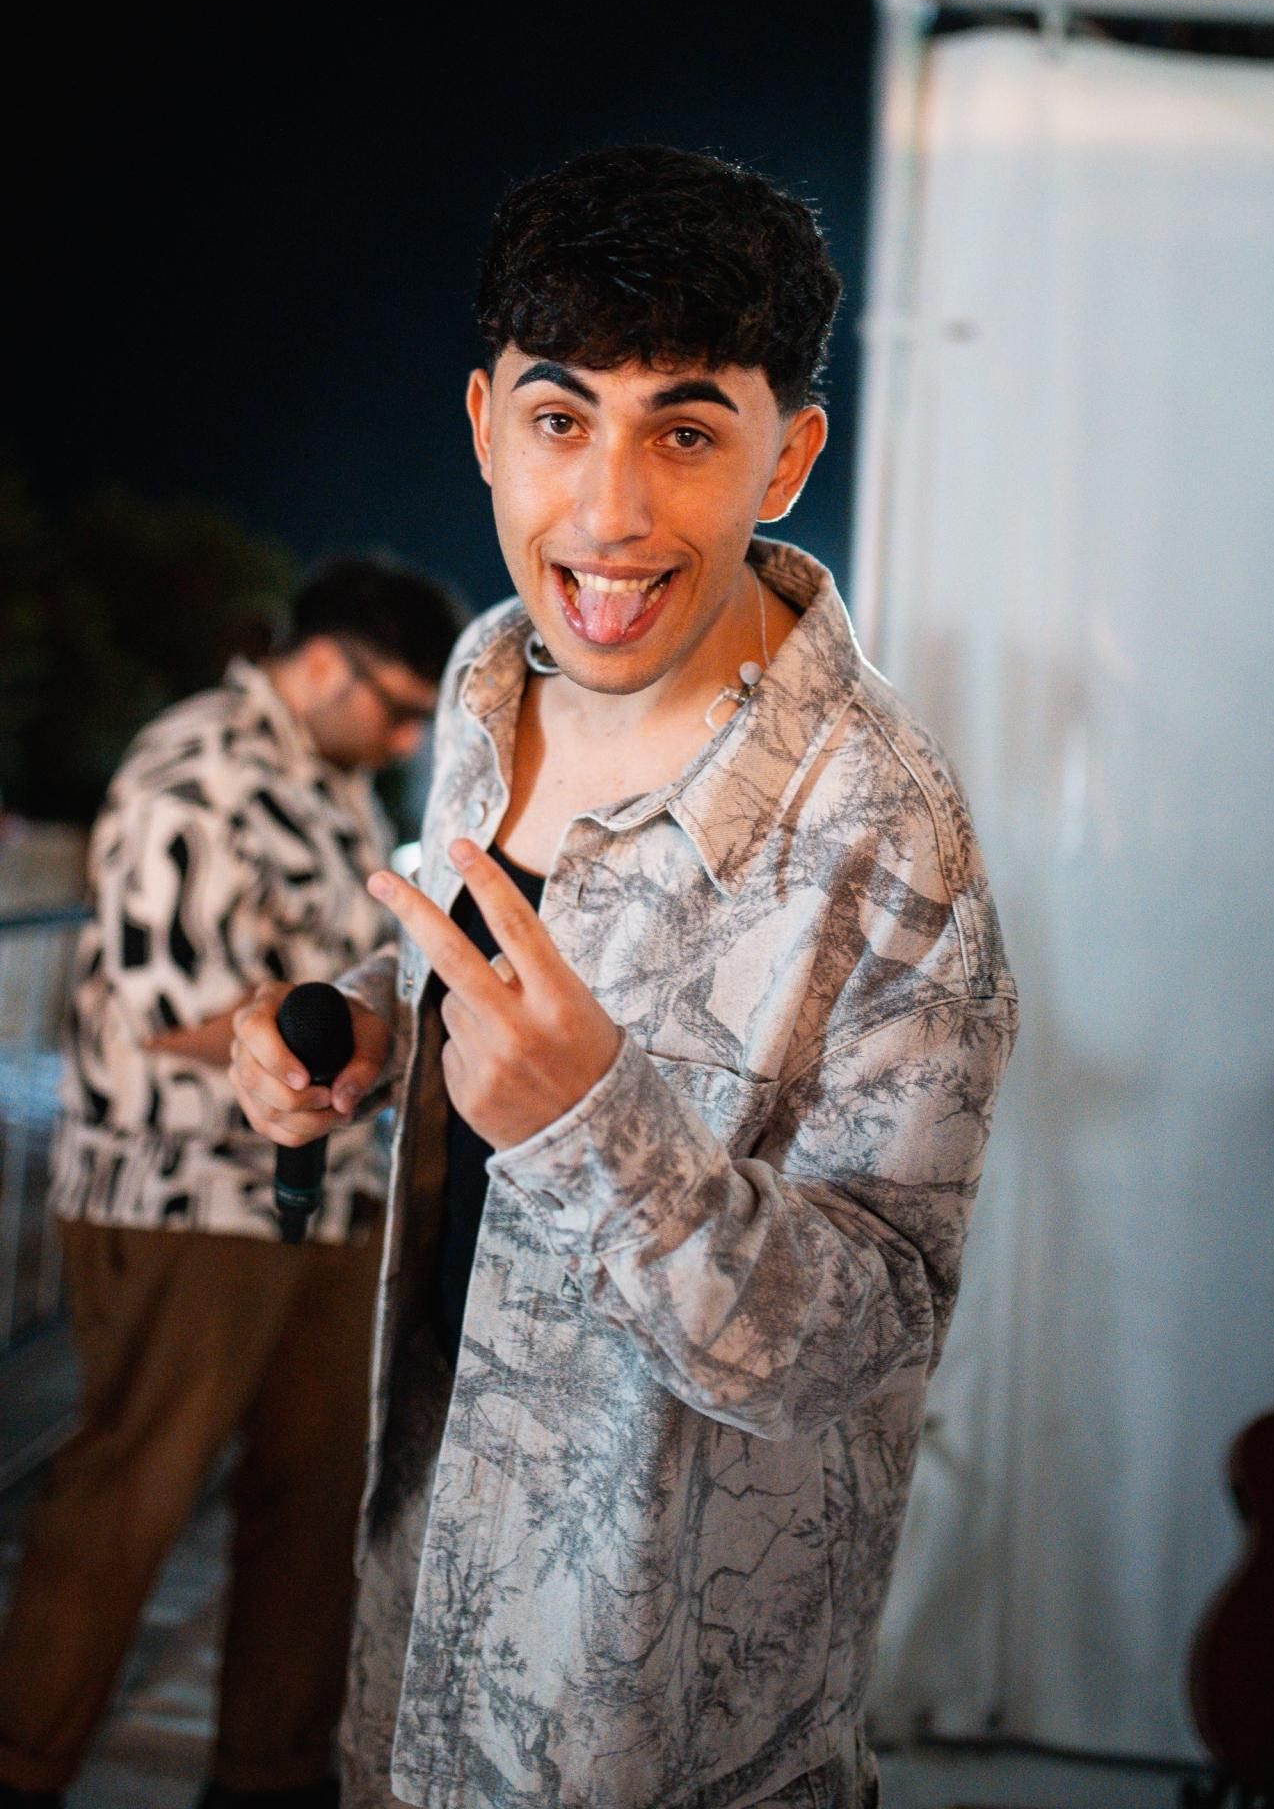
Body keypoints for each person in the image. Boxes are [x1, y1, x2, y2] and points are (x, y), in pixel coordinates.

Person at [231, 147, 1019, 1809]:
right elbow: (488, 951)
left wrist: (593, 1127)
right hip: (422, 1597)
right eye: (561, 417)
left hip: (654, 1725)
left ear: (787, 457)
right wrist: (370, 1021)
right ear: (484, 425)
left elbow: (870, 1337)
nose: (605, 512)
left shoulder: (889, 832)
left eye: (685, 431)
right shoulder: (486, 674)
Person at [0, 556, 463, 1809]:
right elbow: (171, 1010)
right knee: (127, 1500)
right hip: (188, 1199)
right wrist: (347, 1048)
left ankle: (269, 1781)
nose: (409, 739)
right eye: (398, 708)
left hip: (331, 1194)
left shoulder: (331, 778)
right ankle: (25, 1768)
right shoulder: (192, 765)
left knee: (316, 1512)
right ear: (321, 665)